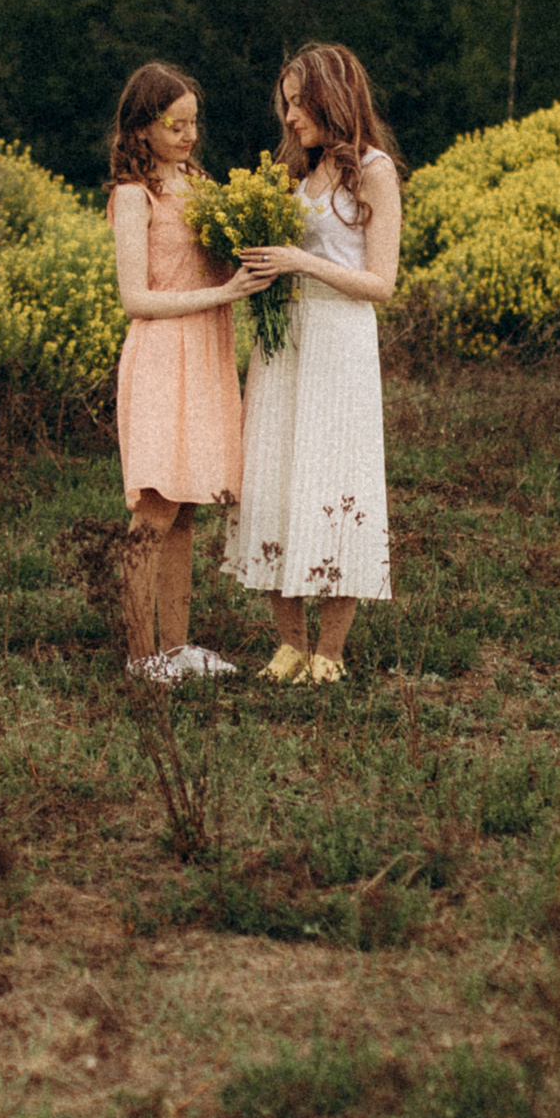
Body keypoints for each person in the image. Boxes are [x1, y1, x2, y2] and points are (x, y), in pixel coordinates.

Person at [226, 42, 399, 682]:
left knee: (336, 479)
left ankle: (330, 651)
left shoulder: (374, 171)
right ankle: (289, 643)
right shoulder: (297, 171)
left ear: (332, 97)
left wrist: (298, 261)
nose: (291, 118)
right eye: (287, 105)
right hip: (286, 342)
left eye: (300, 104)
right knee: (276, 473)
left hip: (341, 340)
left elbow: (382, 281)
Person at [107, 61, 257, 680]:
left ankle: (176, 647)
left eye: (195, 123)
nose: (190, 136)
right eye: (176, 125)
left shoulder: (199, 185)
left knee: (188, 507)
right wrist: (225, 296)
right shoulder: (131, 196)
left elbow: (213, 269)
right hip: (163, 356)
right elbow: (136, 300)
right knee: (156, 507)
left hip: (206, 354)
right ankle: (140, 655)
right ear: (143, 127)